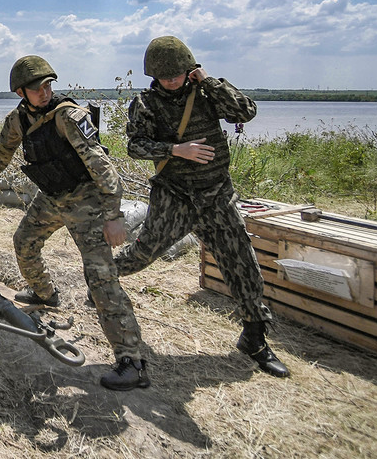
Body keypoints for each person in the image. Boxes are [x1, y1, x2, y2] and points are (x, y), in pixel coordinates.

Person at [0, 55, 150, 391]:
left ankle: (131, 361)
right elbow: (1, 153)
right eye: (37, 88)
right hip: (51, 198)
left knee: (100, 278)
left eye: (49, 85)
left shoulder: (68, 116)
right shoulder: (18, 119)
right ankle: (45, 294)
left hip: (86, 201)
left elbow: (103, 168)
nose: (45, 92)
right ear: (21, 91)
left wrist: (114, 216)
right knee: (24, 241)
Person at [114, 35, 289, 378]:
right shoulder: (146, 104)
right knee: (143, 253)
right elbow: (135, 146)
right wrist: (175, 150)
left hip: (216, 195)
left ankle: (254, 338)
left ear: (189, 69)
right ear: (154, 76)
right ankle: (103, 281)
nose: (171, 81)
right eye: (164, 77)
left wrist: (209, 81)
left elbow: (245, 112)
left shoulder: (208, 93)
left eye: (177, 74)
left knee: (242, 262)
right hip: (174, 194)